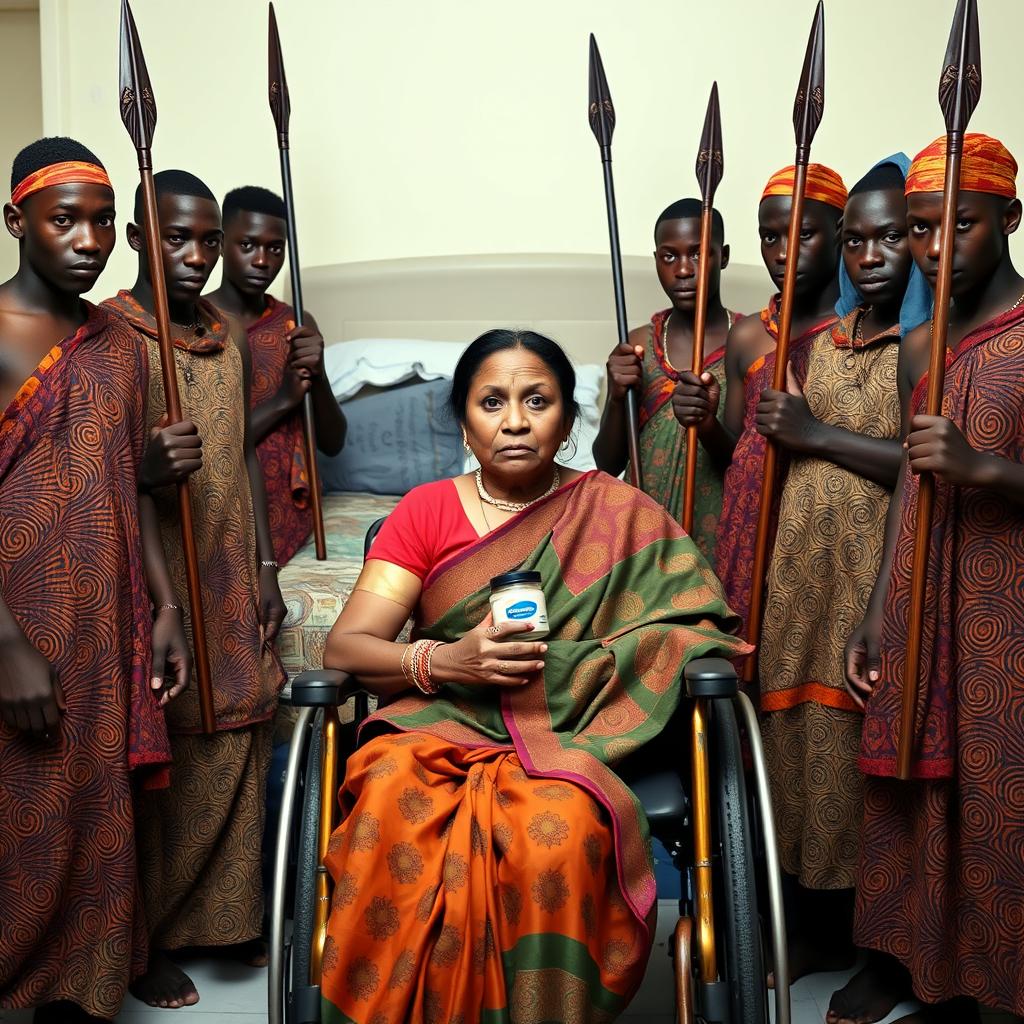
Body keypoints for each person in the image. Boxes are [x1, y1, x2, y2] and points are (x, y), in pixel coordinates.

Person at [318, 329, 749, 1023]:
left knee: (561, 829)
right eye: (492, 401)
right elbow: (347, 648)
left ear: (568, 415)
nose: (514, 420)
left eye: (537, 400)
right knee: (388, 797)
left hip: (577, 740)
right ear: (464, 419)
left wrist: (588, 668)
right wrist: (446, 660)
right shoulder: (426, 511)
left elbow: (691, 630)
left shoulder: (621, 512)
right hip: (439, 726)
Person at [827, 134, 1024, 1024]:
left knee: (998, 795)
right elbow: (911, 476)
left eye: (963, 226)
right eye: (921, 230)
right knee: (915, 788)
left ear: (1010, 220)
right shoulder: (922, 346)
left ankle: (1000, 988)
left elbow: (962, 467)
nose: (938, 249)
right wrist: (877, 609)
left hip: (1005, 599)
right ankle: (927, 975)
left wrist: (987, 469)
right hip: (919, 593)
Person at [0, 138, 191, 1023]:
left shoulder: (117, 342)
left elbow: (133, 487)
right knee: (26, 800)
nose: (90, 239)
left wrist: (166, 606)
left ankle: (88, 974)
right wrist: (7, 645)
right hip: (19, 616)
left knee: (102, 795)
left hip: (108, 613)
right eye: (63, 220)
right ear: (15, 223)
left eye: (104, 222)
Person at [103, 170, 288, 1009]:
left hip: (224, 552)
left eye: (208, 240)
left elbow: (244, 451)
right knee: (165, 740)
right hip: (152, 566)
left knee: (242, 718)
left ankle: (225, 916)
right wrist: (141, 471)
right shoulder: (112, 335)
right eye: (177, 238)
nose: (197, 256)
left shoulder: (225, 332)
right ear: (140, 235)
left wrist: (263, 564)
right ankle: (149, 936)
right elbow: (96, 469)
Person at [751, 156, 931, 981]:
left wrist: (816, 433)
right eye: (856, 239)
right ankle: (820, 925)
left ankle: (880, 950)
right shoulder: (817, 342)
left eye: (892, 235)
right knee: (797, 744)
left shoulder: (928, 346)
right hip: (801, 576)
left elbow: (928, 464)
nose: (870, 255)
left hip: (876, 572)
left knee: (865, 753)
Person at [707, 163, 847, 636]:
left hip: (826, 530)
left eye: (804, 234)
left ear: (840, 232)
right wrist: (707, 422)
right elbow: (732, 454)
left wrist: (807, 431)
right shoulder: (748, 335)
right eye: (769, 237)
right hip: (751, 526)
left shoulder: (863, 333)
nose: (784, 252)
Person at [593, 198, 741, 557]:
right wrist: (616, 396)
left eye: (698, 254)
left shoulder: (750, 341)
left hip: (718, 531)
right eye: (669, 257)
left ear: (722, 256)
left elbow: (747, 465)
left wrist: (707, 425)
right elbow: (607, 465)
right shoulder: (638, 343)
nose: (684, 269)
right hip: (646, 532)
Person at [206, 185, 346, 564]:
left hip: (288, 509)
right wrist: (283, 399)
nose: (263, 260)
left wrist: (315, 378)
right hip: (221, 501)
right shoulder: (197, 323)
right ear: (220, 243)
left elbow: (333, 442)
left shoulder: (295, 323)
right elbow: (210, 445)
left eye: (275, 248)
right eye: (248, 245)